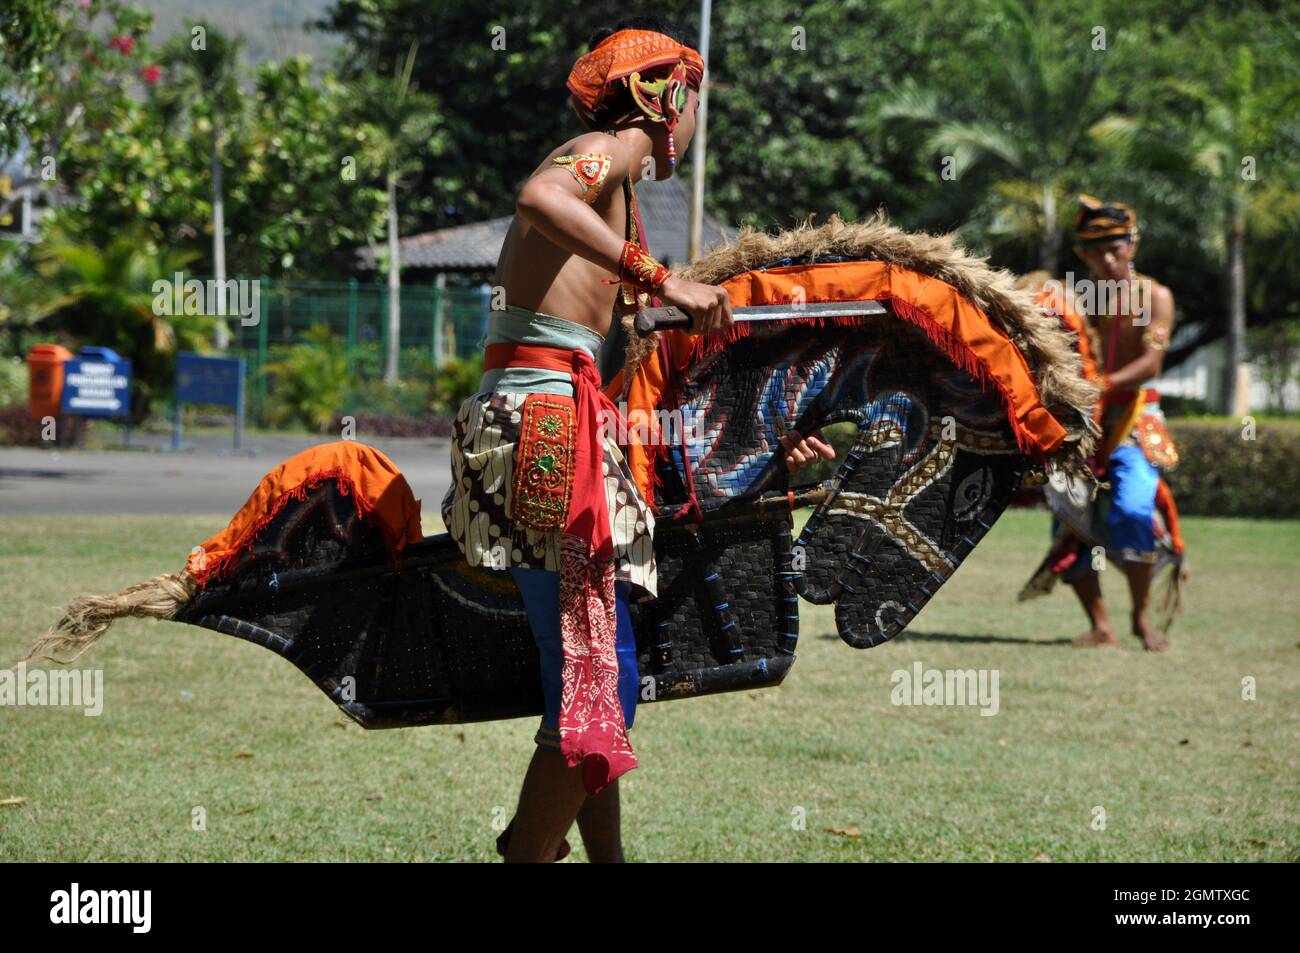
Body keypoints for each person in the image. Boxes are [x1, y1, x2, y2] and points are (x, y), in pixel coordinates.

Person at [441, 16, 832, 863]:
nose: (695, 121)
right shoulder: (606, 150)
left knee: (588, 672)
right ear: (664, 97)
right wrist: (663, 280)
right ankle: (525, 853)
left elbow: (616, 357)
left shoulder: (617, 201)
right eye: (695, 102)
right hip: (547, 422)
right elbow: (538, 198)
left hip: (549, 413)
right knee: (602, 677)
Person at [1062, 194, 1182, 652]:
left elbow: (1152, 365)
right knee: (1068, 519)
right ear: (1082, 254)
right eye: (1096, 250)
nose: (1108, 258)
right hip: (1086, 422)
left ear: (1132, 245)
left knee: (1133, 509)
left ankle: (1141, 618)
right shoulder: (1077, 300)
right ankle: (1101, 625)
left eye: (1116, 247)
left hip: (1134, 419)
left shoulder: (1155, 297)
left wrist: (1099, 383)